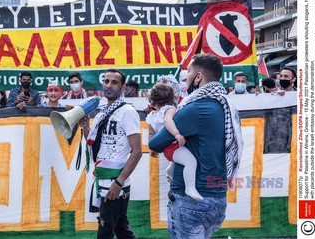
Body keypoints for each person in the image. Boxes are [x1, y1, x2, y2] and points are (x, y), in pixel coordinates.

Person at [149, 54, 243, 238]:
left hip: (191, 202)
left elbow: (156, 143)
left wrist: (157, 116)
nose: (186, 77)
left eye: (189, 71)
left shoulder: (195, 108)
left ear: (198, 77)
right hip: (217, 199)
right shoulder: (227, 107)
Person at [79, 69, 142, 239]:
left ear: (123, 86)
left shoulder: (128, 112)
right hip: (103, 180)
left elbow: (137, 151)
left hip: (115, 183)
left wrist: (119, 182)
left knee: (105, 231)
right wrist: (85, 127)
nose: (109, 85)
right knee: (122, 230)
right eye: (106, 81)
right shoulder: (100, 114)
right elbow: (93, 145)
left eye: (114, 82)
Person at [146, 81, 202, 200]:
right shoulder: (169, 109)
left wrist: (153, 148)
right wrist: (176, 134)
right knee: (191, 162)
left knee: (178, 161)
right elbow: (168, 121)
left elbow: (151, 134)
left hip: (167, 149)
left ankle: (170, 170)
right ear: (172, 97)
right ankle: (190, 188)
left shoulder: (151, 116)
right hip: (173, 146)